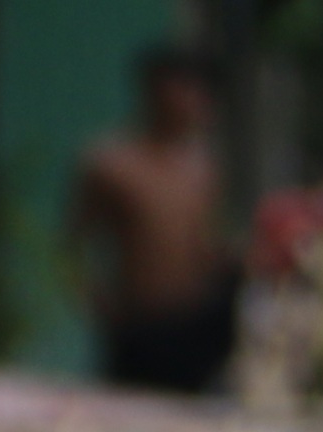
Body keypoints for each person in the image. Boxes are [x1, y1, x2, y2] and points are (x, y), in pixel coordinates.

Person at [73, 46, 239, 396]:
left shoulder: (204, 166)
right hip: (140, 324)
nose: (196, 101)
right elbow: (73, 243)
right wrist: (96, 301)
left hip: (196, 321)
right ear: (156, 91)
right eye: (186, 88)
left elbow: (206, 243)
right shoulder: (112, 162)